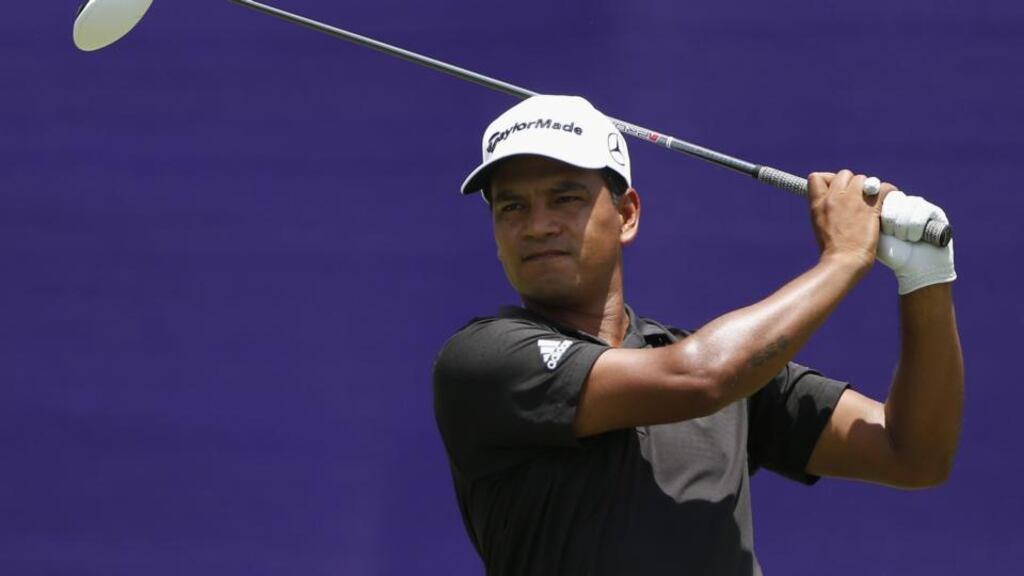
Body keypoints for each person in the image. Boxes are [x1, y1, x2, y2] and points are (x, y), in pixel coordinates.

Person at [432, 95, 962, 575]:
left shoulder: (728, 372)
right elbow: (701, 377)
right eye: (512, 206)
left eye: (565, 198)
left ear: (627, 215)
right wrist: (845, 257)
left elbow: (911, 452)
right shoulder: (484, 359)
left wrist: (925, 279)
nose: (537, 224)